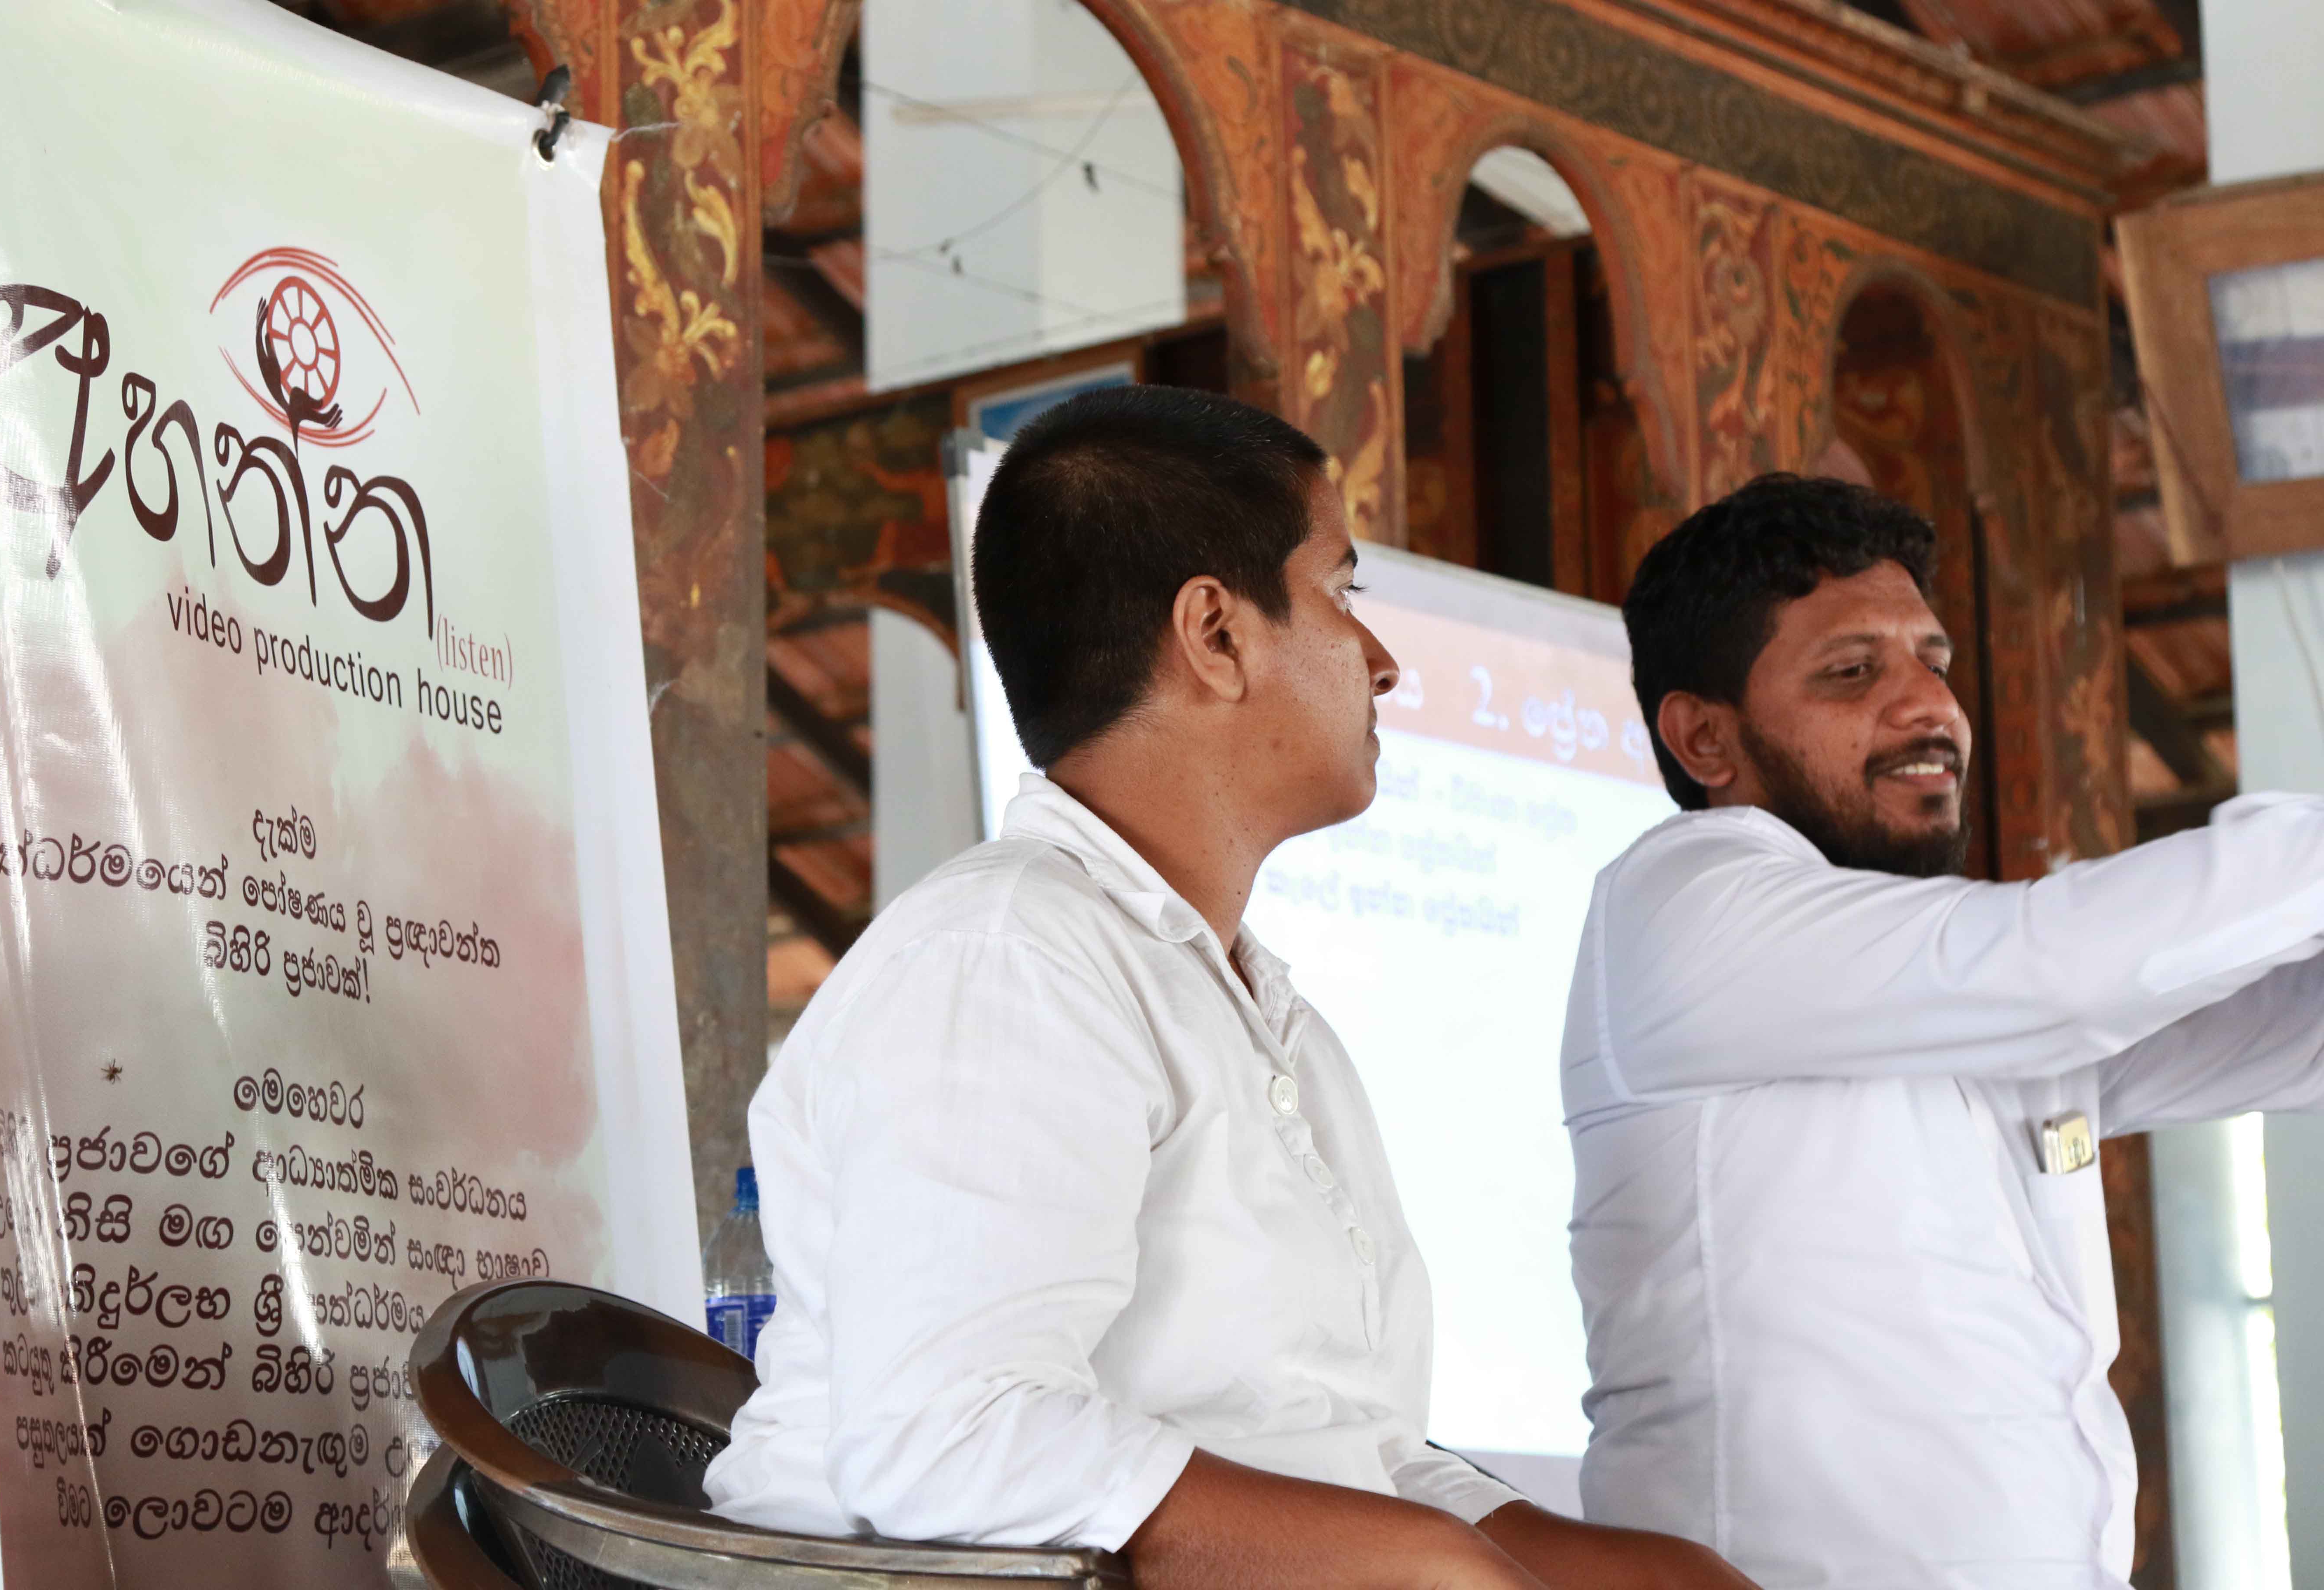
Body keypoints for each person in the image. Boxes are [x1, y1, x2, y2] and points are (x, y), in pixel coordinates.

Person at [705, 385, 1753, 1590]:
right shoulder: (1006, 956)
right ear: (1215, 632)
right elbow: (952, 1444)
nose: (1385, 663)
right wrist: (1430, 1569)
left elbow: (1354, 1460)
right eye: (1343, 594)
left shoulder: (1266, 1017)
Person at [1566, 471, 2324, 1588]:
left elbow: (2288, 1034)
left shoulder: (1959, 989)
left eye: (1935, 662)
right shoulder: (1687, 901)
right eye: (1853, 672)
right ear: (1705, 738)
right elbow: (2065, 967)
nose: (1930, 706)